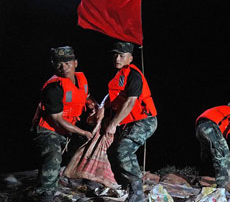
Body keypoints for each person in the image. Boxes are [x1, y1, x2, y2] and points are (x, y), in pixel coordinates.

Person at [31, 46, 93, 202]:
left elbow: (85, 97)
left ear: (75, 63)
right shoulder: (54, 87)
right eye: (59, 63)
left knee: (89, 147)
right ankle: (47, 195)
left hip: (67, 129)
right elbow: (57, 119)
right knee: (54, 156)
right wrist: (83, 132)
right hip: (48, 129)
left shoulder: (80, 79)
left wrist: (93, 105)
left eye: (67, 62)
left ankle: (91, 183)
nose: (63, 67)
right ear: (53, 65)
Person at [97, 41, 157, 202]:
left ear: (130, 58)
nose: (117, 58)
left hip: (145, 120)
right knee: (112, 150)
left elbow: (130, 102)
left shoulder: (134, 75)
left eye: (122, 55)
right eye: (115, 55)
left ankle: (137, 193)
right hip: (130, 122)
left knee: (123, 149)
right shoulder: (119, 75)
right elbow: (113, 96)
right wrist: (102, 106)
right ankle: (123, 185)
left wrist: (113, 124)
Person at [195, 101, 230, 188]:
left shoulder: (219, 110)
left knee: (210, 155)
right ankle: (222, 187)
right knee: (225, 157)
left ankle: (204, 175)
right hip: (210, 127)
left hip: (199, 129)